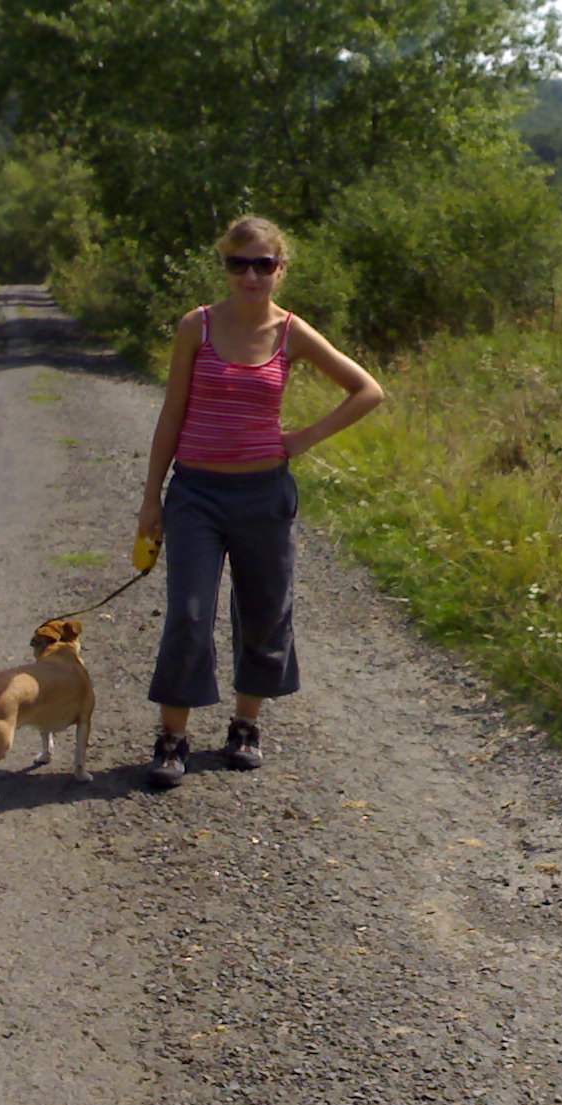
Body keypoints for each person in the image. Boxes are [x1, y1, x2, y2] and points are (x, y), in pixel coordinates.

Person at [136, 215, 385, 787]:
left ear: (280, 268)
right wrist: (151, 498)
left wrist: (300, 439)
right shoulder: (196, 326)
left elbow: (367, 390)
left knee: (264, 612)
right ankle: (172, 738)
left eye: (262, 265)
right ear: (225, 266)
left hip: (264, 495)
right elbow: (172, 413)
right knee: (188, 614)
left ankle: (245, 727)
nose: (250, 276)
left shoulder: (291, 331)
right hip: (195, 493)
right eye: (238, 264)